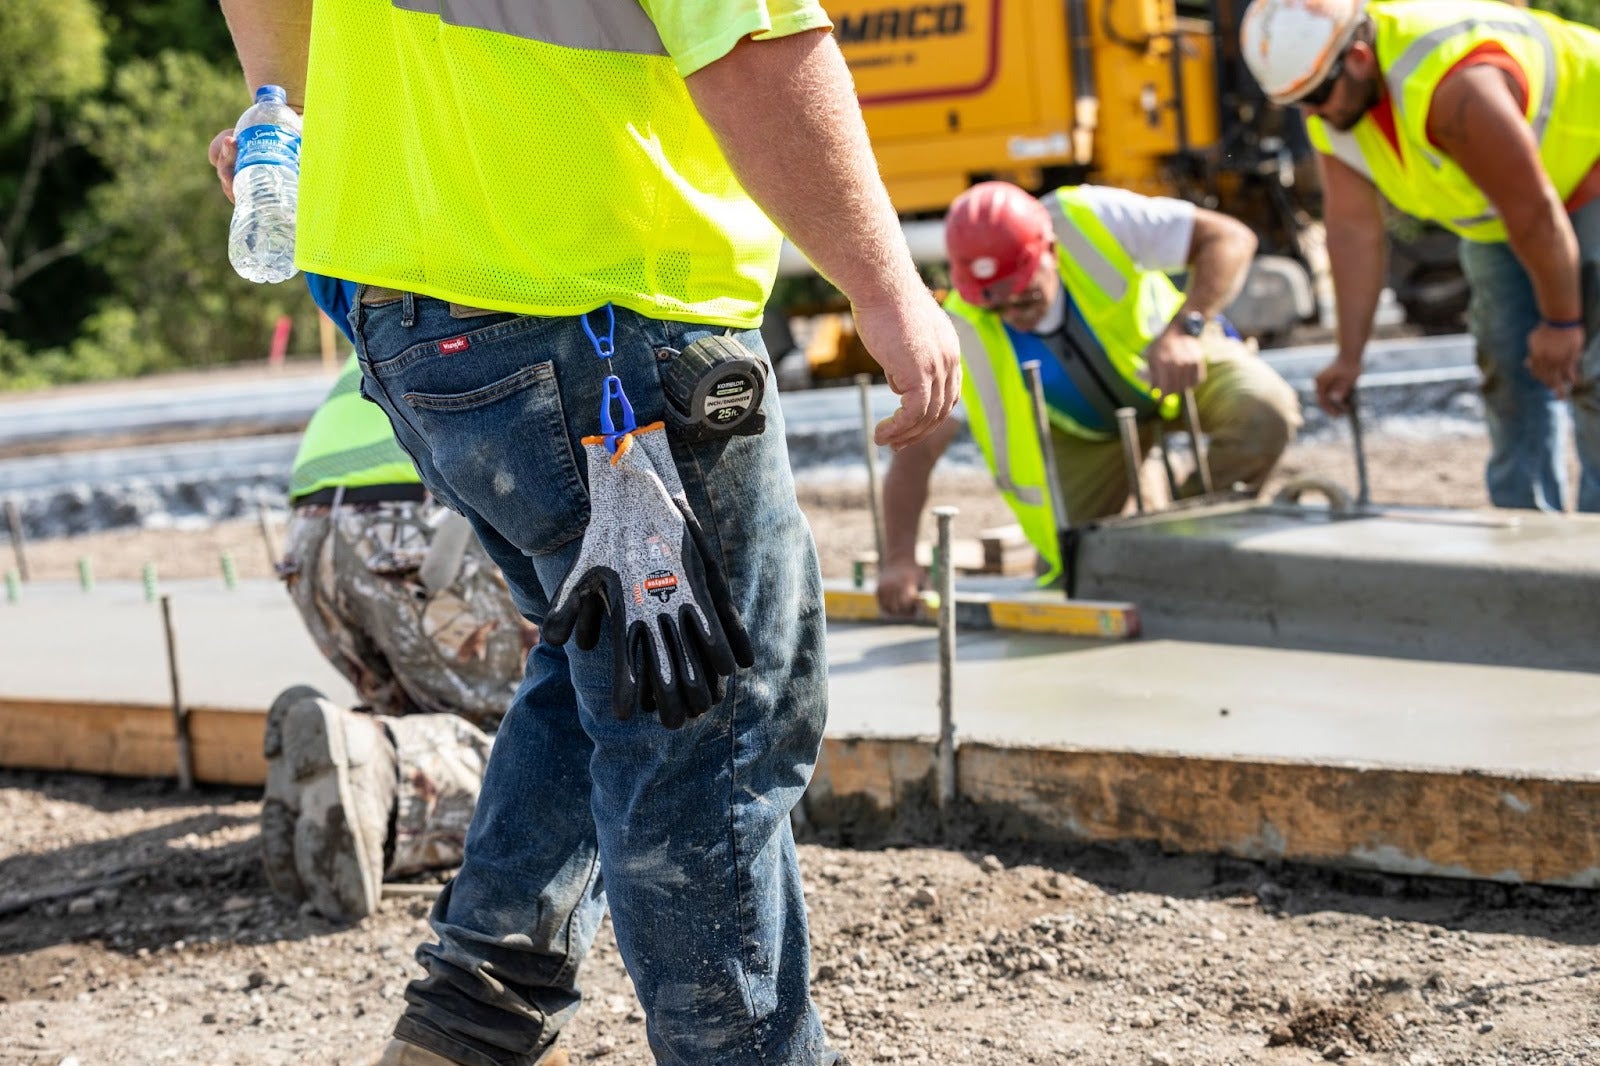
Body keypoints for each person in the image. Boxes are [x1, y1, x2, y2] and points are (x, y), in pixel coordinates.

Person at [216, 4, 961, 1066]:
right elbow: (750, 46)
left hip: (410, 311)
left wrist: (282, 109)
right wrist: (885, 287)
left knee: (611, 664)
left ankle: (471, 1024)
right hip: (600, 310)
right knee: (708, 722)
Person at [1240, 0, 1600, 512]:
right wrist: (1349, 355)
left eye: (1317, 94)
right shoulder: (1336, 106)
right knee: (1508, 367)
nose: (1313, 113)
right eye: (1297, 101)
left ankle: (1590, 556)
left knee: (1592, 368)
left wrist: (1562, 323)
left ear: (1360, 58)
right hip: (1513, 209)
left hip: (1587, 166)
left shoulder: (1452, 85)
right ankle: (1527, 542)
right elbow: (1351, 231)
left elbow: (1535, 213)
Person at [876, 181, 1302, 613]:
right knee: (1087, 565)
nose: (1013, 316)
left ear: (1052, 253)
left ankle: (1188, 536)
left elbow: (1231, 237)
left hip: (1177, 366)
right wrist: (899, 560)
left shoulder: (1091, 218)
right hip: (1085, 434)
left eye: (1026, 297)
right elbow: (919, 448)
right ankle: (1152, 535)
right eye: (996, 307)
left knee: (1264, 411)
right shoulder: (964, 330)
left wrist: (1185, 329)